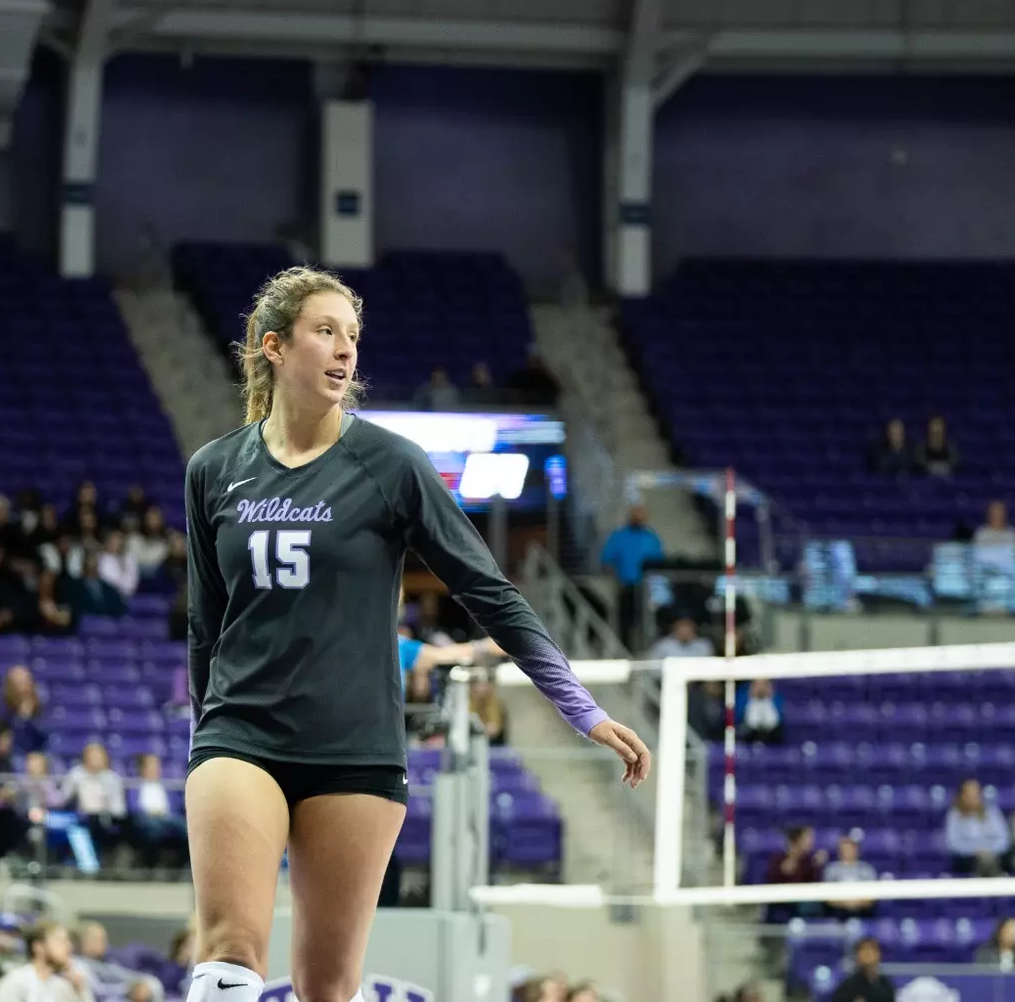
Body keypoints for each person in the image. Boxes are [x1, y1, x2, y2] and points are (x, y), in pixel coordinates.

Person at [180, 268, 648, 1002]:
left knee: (328, 985)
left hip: (356, 749)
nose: (345, 351)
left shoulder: (390, 464)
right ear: (274, 346)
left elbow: (489, 593)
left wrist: (581, 708)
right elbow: (205, 623)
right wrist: (205, 725)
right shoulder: (213, 471)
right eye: (325, 331)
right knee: (229, 952)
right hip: (240, 735)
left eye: (353, 337)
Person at [599, 505, 663, 644]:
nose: (639, 518)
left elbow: (659, 563)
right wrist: (616, 581)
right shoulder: (619, 536)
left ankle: (644, 647)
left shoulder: (651, 538)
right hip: (625, 586)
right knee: (625, 621)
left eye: (641, 515)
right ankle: (624, 648)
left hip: (646, 588)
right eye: (636, 515)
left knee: (645, 620)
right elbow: (607, 560)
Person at [0, 922, 92, 1002]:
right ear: (38, 947)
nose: (69, 946)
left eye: (68, 941)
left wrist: (80, 990)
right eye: (60, 941)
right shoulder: (16, 982)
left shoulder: (63, 986)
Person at [945, 778, 1010, 877]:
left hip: (993, 856)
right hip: (967, 859)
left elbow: (1004, 841)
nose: (972, 798)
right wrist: (976, 850)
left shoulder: (992, 813)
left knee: (991, 860)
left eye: (975, 794)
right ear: (962, 796)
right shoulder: (954, 816)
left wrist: (988, 850)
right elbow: (952, 844)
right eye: (969, 795)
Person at [830, 938, 893, 1002]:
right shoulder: (847, 987)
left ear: (879, 954)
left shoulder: (886, 985)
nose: (869, 954)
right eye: (864, 950)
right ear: (857, 956)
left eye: (872, 949)